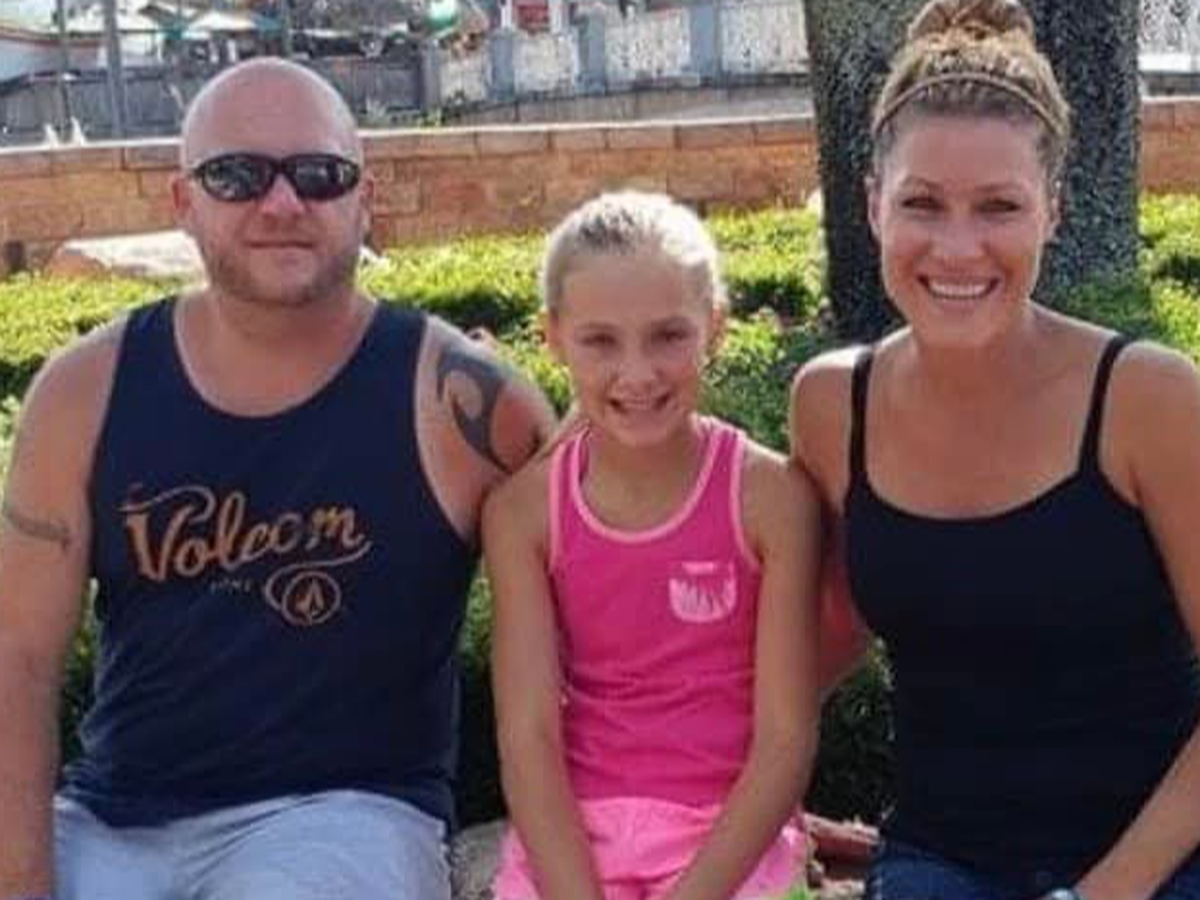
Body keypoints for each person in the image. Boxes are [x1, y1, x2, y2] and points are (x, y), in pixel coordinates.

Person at [0, 58, 552, 899]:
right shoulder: (85, 392)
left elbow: (616, 585)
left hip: (348, 815)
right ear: (182, 201)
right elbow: (18, 658)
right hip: (111, 818)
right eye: (237, 175)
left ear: (365, 197)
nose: (283, 203)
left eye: (320, 174)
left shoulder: (468, 405)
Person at [790, 1, 1200, 898]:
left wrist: (1099, 894)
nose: (958, 246)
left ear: (1053, 210)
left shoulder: (1148, 400)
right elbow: (833, 630)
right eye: (922, 204)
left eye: (999, 207)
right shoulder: (832, 405)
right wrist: (745, 788)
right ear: (872, 205)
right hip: (944, 860)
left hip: (1164, 858)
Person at [485, 191, 822, 900]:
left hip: (729, 844)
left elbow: (786, 739)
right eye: (600, 341)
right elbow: (528, 737)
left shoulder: (770, 499)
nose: (637, 373)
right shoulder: (523, 515)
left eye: (668, 335)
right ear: (553, 337)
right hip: (575, 846)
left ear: (715, 328)